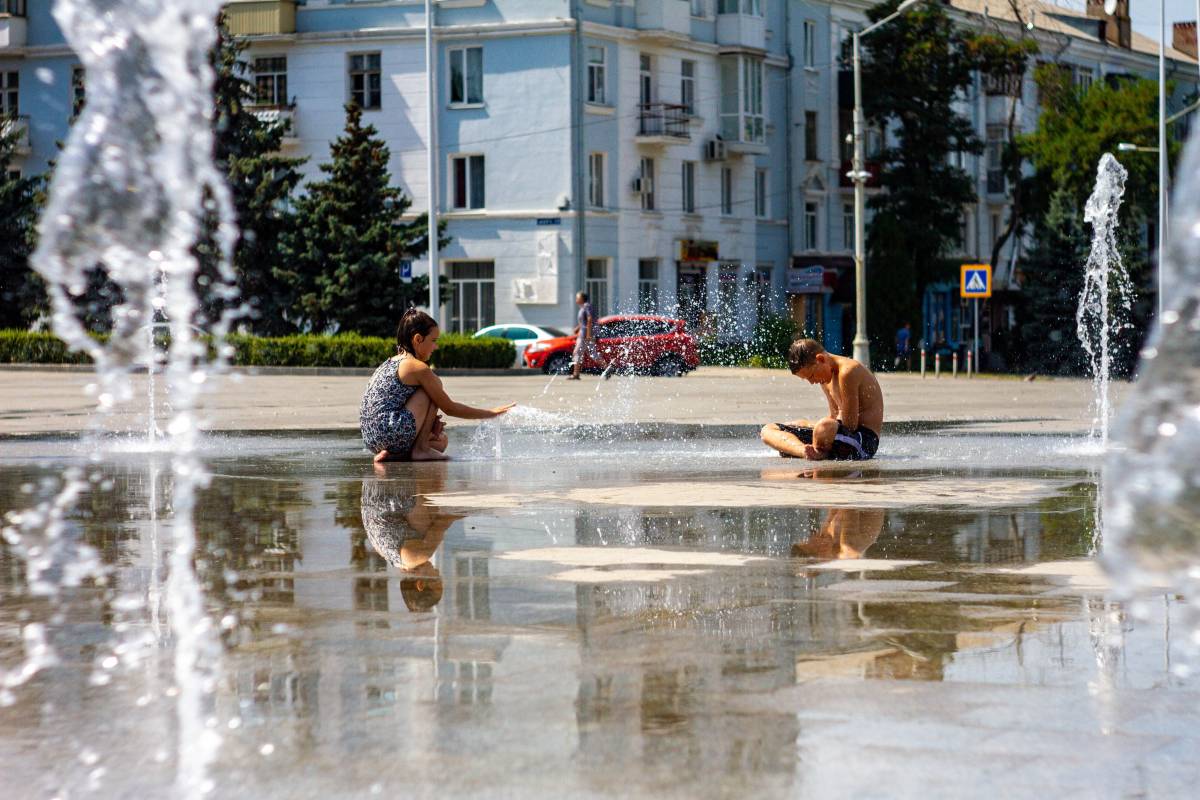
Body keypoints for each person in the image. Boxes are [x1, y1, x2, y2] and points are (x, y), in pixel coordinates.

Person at [360, 307, 516, 462]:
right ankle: (420, 449)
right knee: (433, 387)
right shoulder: (417, 367)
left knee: (441, 442)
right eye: (433, 341)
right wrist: (491, 413)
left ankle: (394, 455)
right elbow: (449, 408)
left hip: (372, 438)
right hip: (390, 430)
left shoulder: (393, 361)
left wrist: (428, 425)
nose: (436, 347)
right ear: (418, 339)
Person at [759, 338, 884, 461]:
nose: (812, 382)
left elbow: (850, 425)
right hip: (839, 435)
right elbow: (834, 415)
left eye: (811, 376)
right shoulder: (825, 377)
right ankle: (805, 451)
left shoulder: (848, 372)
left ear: (821, 359)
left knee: (823, 426)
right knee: (768, 429)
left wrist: (820, 432)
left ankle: (803, 449)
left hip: (863, 441)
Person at [359, 466, 462, 612]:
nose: (439, 573)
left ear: (420, 584)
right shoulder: (394, 560)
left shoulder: (417, 557)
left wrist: (476, 511)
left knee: (429, 530)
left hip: (397, 485)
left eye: (438, 581)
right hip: (372, 485)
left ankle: (425, 472)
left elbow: (442, 522)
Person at [568, 291, 612, 380]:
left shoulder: (586, 306)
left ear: (582, 298)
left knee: (578, 352)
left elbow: (589, 319)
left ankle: (576, 374)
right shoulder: (583, 307)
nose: (576, 299)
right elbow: (583, 322)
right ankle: (607, 368)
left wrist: (588, 334)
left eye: (577, 297)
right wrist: (577, 328)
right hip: (583, 333)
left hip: (585, 335)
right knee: (589, 353)